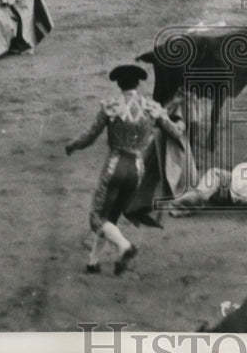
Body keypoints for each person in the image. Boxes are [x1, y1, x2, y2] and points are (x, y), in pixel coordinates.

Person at [65, 65, 180, 275]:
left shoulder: (111, 105)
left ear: (119, 84)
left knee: (97, 219)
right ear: (138, 84)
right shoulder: (150, 106)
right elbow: (174, 132)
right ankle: (93, 263)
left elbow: (90, 136)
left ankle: (124, 246)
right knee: (110, 217)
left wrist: (73, 145)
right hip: (137, 168)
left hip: (115, 166)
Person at [167, 159, 247, 216]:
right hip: (228, 179)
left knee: (204, 193)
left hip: (226, 196)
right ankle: (189, 203)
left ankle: (186, 203)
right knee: (214, 173)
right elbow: (239, 168)